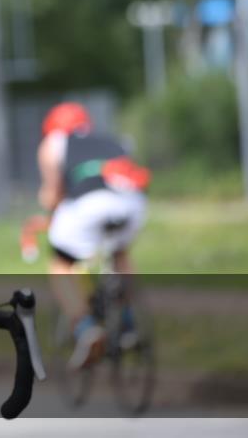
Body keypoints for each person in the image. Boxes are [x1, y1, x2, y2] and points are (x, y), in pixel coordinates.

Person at [37, 102, 149, 370]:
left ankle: (86, 327)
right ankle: (128, 320)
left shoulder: (54, 143)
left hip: (89, 206)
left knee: (60, 263)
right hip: (131, 202)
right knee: (120, 252)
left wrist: (49, 208)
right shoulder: (112, 139)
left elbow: (53, 195)